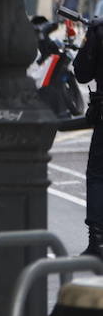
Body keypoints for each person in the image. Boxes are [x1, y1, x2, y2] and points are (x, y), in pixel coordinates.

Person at [69, 18, 103, 260]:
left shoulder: (98, 30)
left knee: (98, 176)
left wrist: (87, 39)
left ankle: (98, 240)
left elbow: (81, 73)